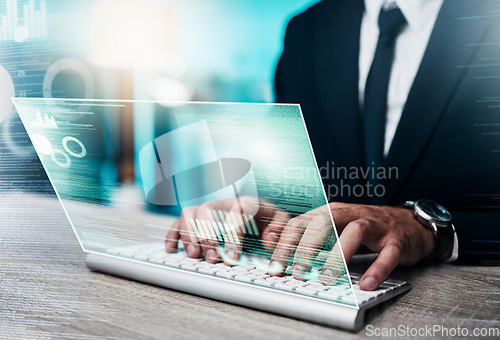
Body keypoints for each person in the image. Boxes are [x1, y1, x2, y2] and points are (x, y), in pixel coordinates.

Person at [166, 0, 500, 290]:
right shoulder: (305, 30)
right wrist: (261, 212)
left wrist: (433, 232)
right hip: (323, 292)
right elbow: (289, 181)